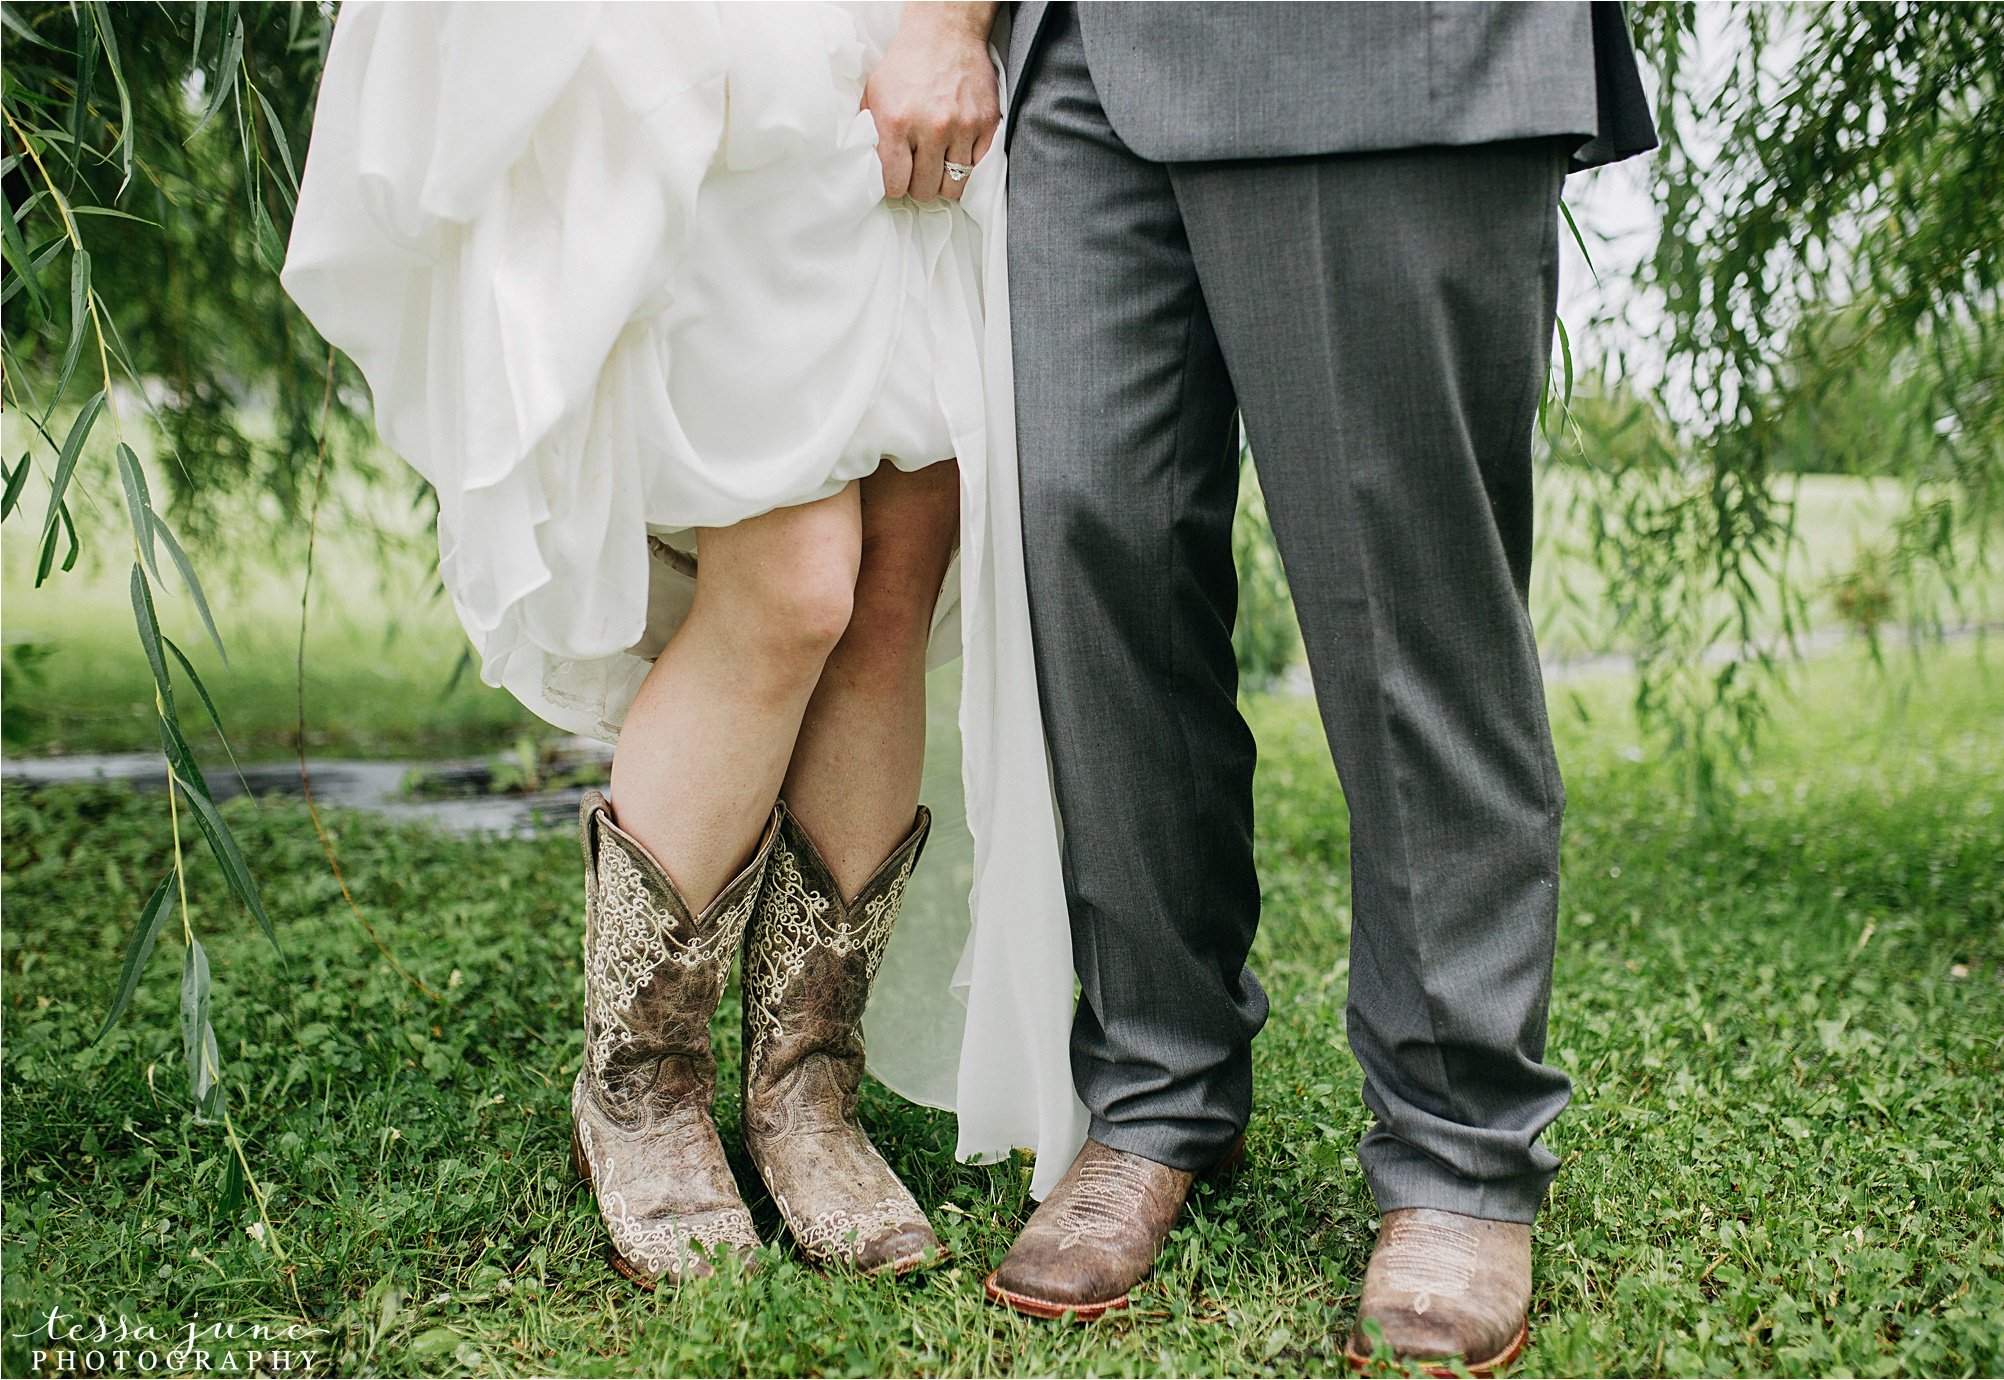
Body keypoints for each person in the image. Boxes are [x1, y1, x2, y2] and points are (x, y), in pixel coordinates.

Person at [280, 1, 1087, 1286]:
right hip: (749, 57)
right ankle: (642, 1088)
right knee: (793, 586)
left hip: (915, 47)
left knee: (892, 580)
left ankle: (804, 1092)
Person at [976, 2, 1657, 1371]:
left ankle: (1460, 1142)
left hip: (1381, 51)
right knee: (1089, 536)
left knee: (1402, 591)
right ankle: (1160, 1084)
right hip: (1085, 55)